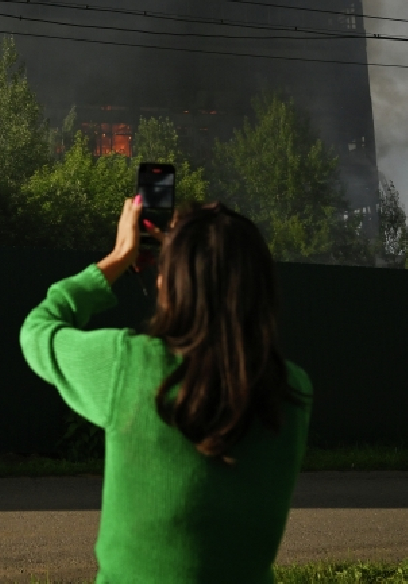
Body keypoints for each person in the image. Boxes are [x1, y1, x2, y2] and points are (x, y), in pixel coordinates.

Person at [20, 196, 312, 584]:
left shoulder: (127, 366)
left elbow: (38, 330)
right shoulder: (293, 391)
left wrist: (120, 256)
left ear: (168, 284)